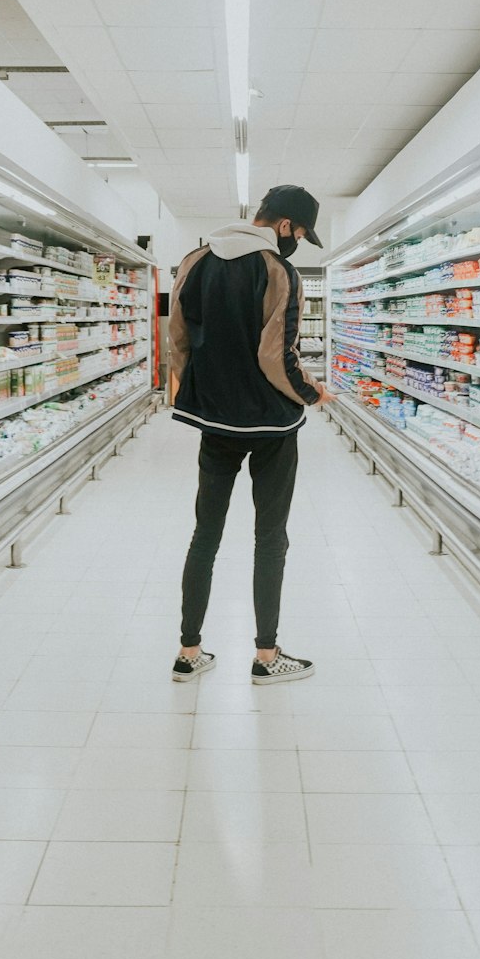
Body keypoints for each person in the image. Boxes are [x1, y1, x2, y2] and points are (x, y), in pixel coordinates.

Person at [168, 184, 331, 685]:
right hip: (271, 425)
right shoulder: (279, 271)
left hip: (215, 421)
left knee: (205, 535)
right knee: (270, 538)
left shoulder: (194, 260)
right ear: (284, 225)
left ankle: (188, 651)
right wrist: (311, 391)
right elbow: (275, 355)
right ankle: (266, 656)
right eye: (300, 232)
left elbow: (178, 338)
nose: (298, 240)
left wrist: (194, 393)